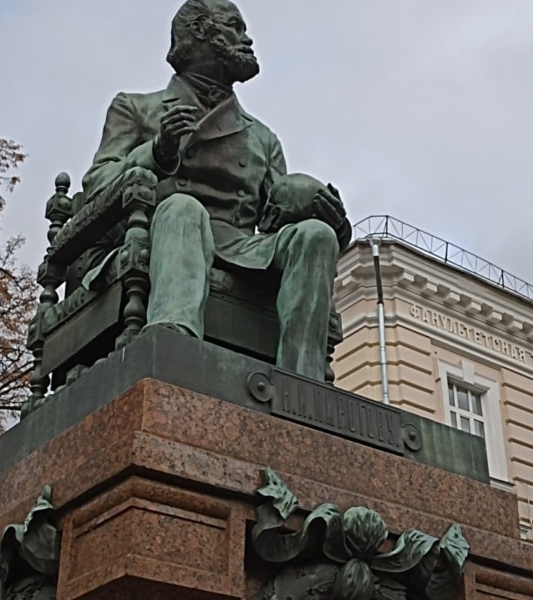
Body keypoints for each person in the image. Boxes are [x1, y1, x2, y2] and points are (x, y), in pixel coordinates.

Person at [81, 0, 350, 381]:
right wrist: (158, 150)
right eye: (235, 27)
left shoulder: (261, 137)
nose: (247, 38)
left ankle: (302, 384)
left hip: (240, 247)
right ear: (202, 32)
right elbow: (97, 186)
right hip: (168, 233)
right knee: (182, 208)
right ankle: (173, 352)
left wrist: (326, 216)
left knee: (315, 235)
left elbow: (274, 218)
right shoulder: (137, 108)